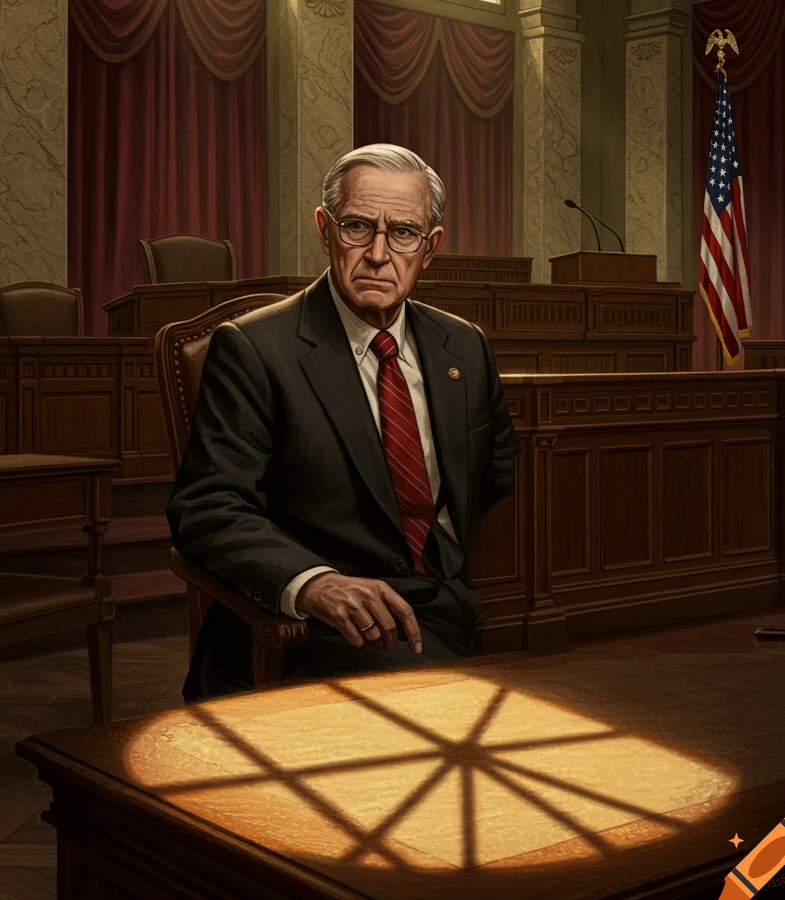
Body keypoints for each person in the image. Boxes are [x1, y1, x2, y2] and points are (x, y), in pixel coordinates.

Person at [167, 143, 520, 700]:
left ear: (431, 249)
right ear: (324, 229)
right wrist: (315, 585)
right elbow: (209, 509)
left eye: (402, 232)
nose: (379, 253)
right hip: (325, 631)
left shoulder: (465, 347)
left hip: (454, 606)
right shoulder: (255, 350)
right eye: (358, 226)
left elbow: (503, 482)